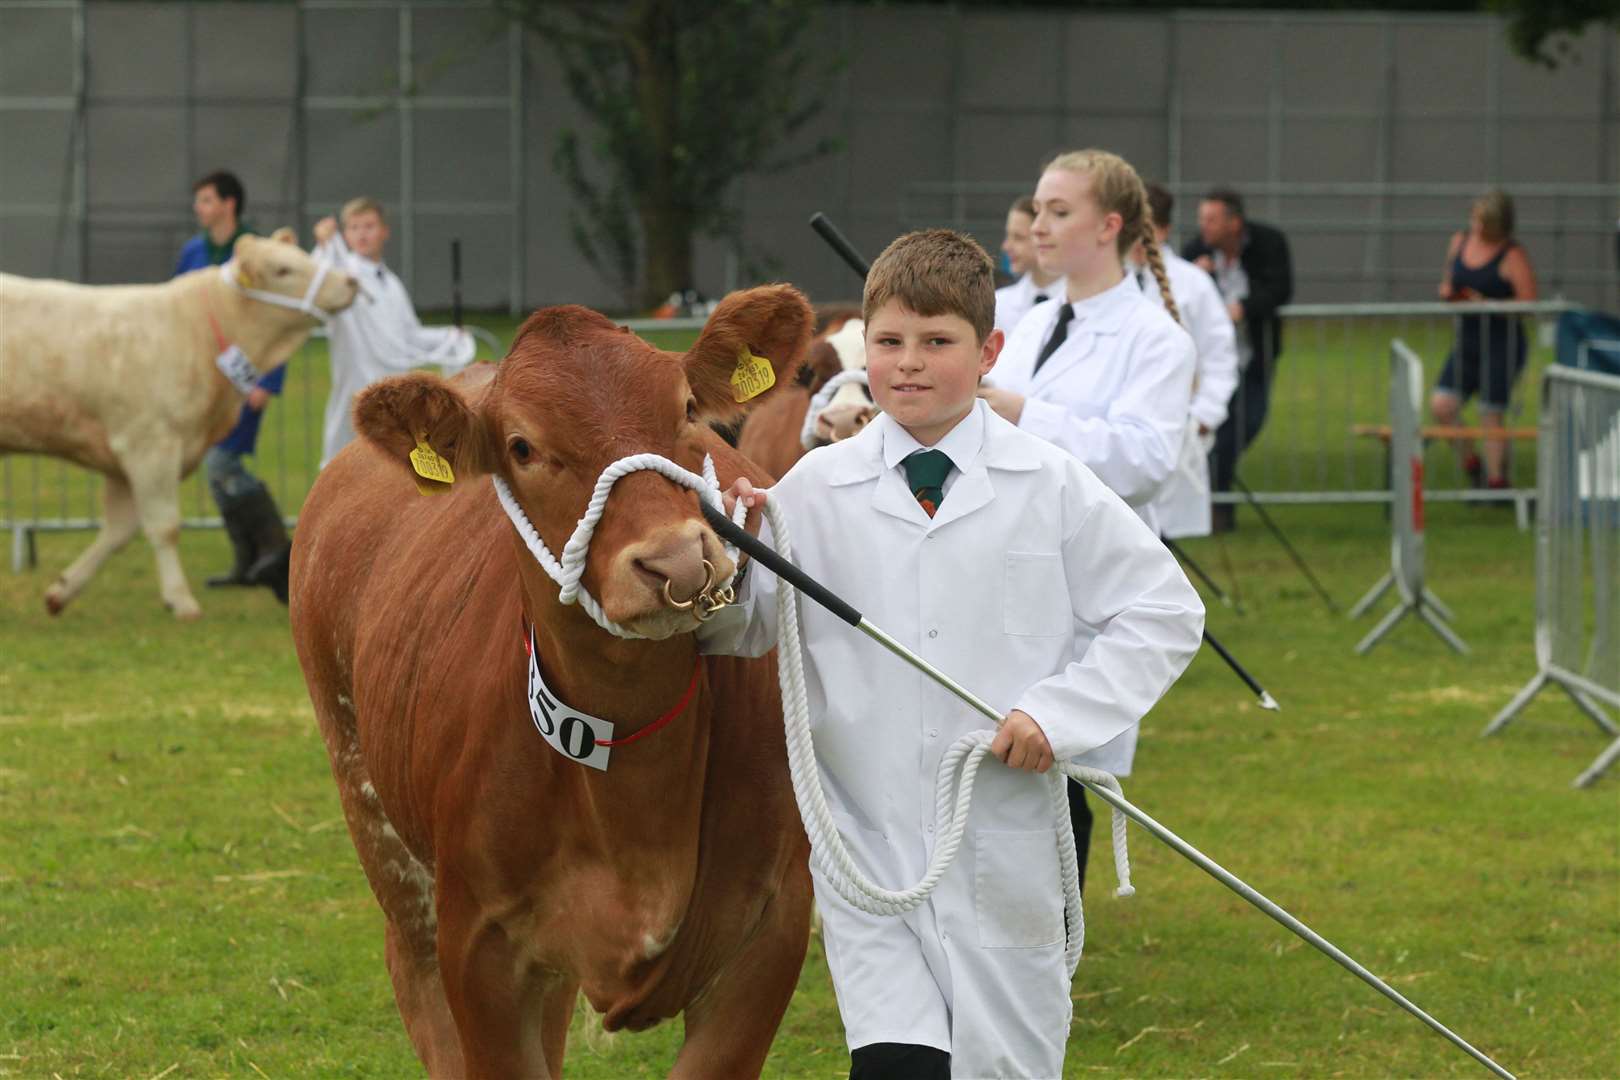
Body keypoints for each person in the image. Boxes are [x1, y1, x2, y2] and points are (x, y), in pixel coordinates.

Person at [703, 229, 1204, 1080]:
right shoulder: (813, 493)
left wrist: (1058, 712)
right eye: (890, 342)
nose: (908, 365)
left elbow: (1164, 611)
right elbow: (741, 628)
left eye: (938, 343)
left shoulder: (1050, 483)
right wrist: (722, 552)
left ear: (989, 353)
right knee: (898, 1068)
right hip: (869, 851)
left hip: (1004, 850)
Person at [976, 148, 1196, 902]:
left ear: (1109, 227)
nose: (1038, 225)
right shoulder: (1035, 325)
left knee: (1061, 768)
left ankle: (1056, 945)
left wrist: (1026, 415)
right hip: (1002, 569)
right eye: (1037, 209)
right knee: (1003, 759)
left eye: (1057, 211)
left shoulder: (1155, 338)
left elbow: (1147, 458)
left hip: (1084, 585)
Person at [174, 169, 292, 602]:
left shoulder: (255, 253)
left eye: (205, 199)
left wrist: (268, 381)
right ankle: (247, 562)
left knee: (223, 465)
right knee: (217, 471)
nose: (198, 208)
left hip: (246, 375)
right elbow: (176, 307)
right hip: (205, 379)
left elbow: (277, 317)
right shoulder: (192, 252)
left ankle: (280, 554)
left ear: (228, 204)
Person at [312, 197, 474, 466]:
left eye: (369, 226)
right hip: (357, 399)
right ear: (345, 234)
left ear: (384, 231)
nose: (362, 234)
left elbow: (408, 337)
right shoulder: (343, 276)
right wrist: (323, 245)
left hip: (396, 403)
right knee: (348, 476)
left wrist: (448, 338)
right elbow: (317, 280)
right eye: (353, 227)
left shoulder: (391, 283)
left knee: (403, 481)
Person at [1181, 188, 1294, 531]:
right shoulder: (1197, 250)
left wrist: (1242, 308)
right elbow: (1181, 292)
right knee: (1217, 428)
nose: (1204, 227)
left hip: (1254, 352)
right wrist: (1198, 274)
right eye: (1202, 219)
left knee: (1249, 419)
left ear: (1235, 223)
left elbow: (1280, 288)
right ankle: (1217, 508)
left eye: (1212, 219)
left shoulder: (1268, 242)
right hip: (1211, 359)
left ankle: (1217, 498)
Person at [1134, 183, 1240, 539]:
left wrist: (1204, 419)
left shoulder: (1193, 285)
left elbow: (1220, 356)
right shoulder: (1096, 284)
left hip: (1174, 434)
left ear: (1161, 230)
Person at [1431, 190, 1539, 489]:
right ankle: (1472, 465)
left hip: (1501, 342)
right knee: (1442, 405)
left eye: (1484, 223)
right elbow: (1448, 282)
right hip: (1467, 340)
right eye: (1475, 220)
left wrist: (1488, 304)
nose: (1477, 228)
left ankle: (1496, 484)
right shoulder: (1460, 241)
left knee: (1491, 412)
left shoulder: (1512, 254)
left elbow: (1529, 303)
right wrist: (1449, 294)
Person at [994, 195, 1064, 334]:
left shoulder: (1082, 301)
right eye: (1008, 236)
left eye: (1018, 237)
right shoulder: (998, 305)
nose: (1006, 246)